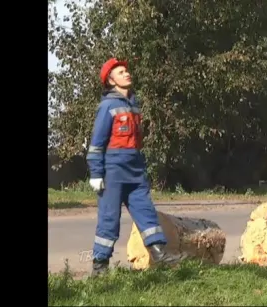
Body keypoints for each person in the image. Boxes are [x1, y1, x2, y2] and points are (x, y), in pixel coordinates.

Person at [86, 58, 184, 276]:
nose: (126, 73)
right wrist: (96, 172)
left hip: (135, 170)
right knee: (109, 218)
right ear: (111, 80)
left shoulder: (134, 105)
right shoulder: (107, 106)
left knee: (145, 211)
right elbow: (97, 143)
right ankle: (99, 266)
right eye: (121, 72)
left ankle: (160, 254)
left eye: (126, 70)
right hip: (113, 170)